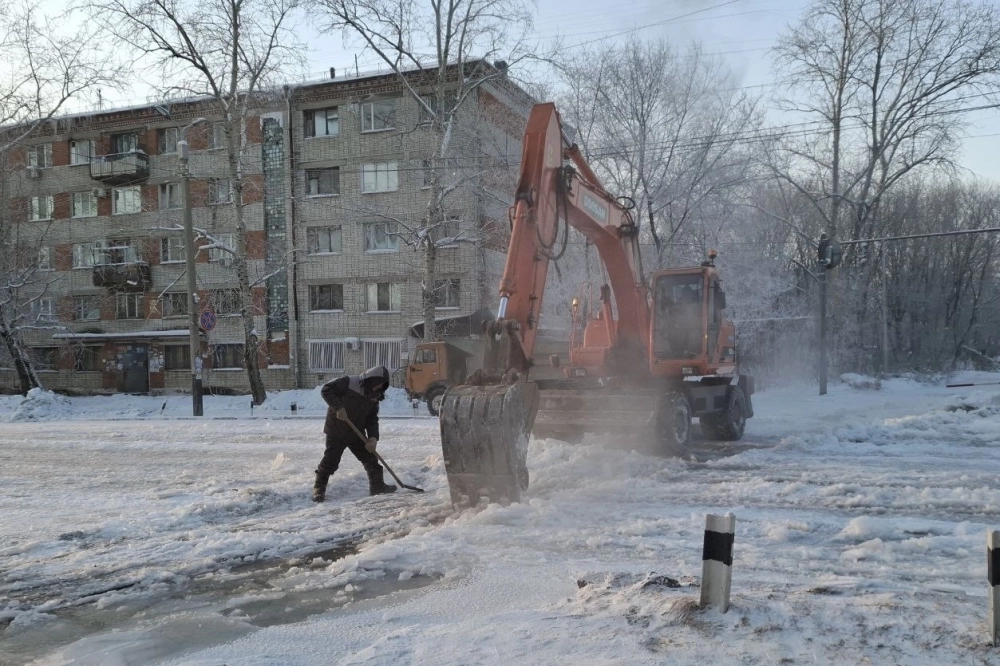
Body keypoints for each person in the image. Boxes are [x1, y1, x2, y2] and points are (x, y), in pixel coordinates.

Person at [313, 365, 397, 502]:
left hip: (355, 432)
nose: (379, 388)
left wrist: (373, 438)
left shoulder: (374, 396)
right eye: (378, 385)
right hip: (336, 429)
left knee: (370, 459)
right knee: (330, 461)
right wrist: (338, 407)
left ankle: (377, 486)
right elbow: (327, 390)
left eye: (382, 386)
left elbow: (372, 420)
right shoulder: (349, 382)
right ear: (372, 380)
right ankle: (318, 488)